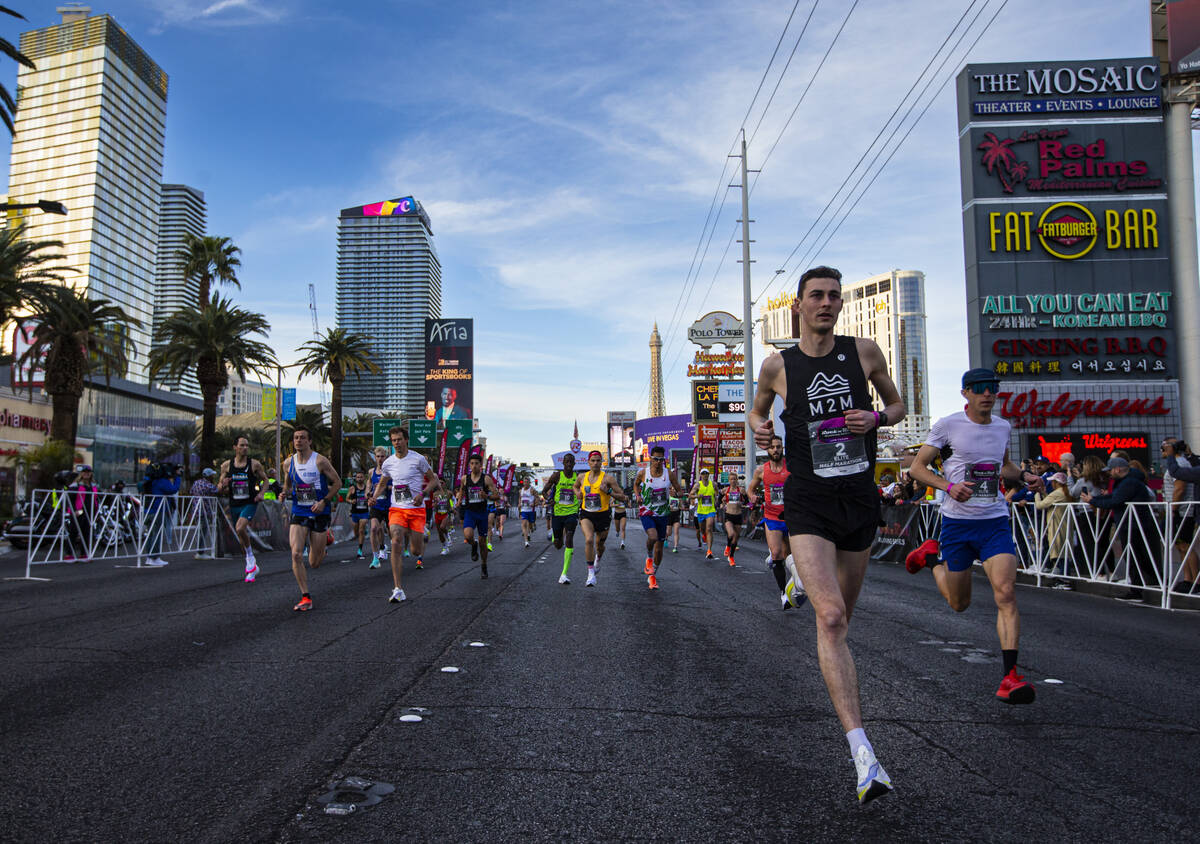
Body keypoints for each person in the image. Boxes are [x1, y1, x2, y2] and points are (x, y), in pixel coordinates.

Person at [747, 265, 905, 805]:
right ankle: (863, 754)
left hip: (858, 498)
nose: (827, 303)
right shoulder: (777, 364)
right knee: (831, 617)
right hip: (808, 500)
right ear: (798, 304)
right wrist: (760, 428)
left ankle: (794, 574)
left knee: (844, 617)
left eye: (835, 296)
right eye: (817, 295)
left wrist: (877, 419)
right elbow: (756, 414)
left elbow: (899, 404)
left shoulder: (864, 354)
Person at [907, 368, 1041, 705]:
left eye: (992, 389)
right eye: (980, 389)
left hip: (994, 520)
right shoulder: (948, 425)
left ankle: (1010, 676)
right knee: (959, 604)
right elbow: (917, 469)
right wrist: (949, 486)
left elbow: (1003, 466)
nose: (987, 394)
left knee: (1006, 594)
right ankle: (933, 558)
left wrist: (1025, 476)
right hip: (957, 524)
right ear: (966, 392)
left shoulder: (1002, 427)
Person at [371, 426, 441, 602]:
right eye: (394, 440)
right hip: (397, 508)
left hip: (416, 509)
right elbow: (382, 482)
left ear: (406, 440)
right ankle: (397, 589)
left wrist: (423, 495)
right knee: (395, 540)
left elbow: (434, 480)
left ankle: (421, 535)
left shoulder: (418, 459)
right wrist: (374, 497)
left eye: (399, 439)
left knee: (416, 550)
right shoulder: (388, 463)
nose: (397, 443)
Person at [280, 426, 342, 612]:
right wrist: (284, 493)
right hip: (299, 510)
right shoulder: (288, 463)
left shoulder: (320, 461)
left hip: (319, 512)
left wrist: (324, 501)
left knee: (314, 562)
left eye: (302, 438)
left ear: (309, 441)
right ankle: (305, 596)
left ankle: (325, 537)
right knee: (296, 554)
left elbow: (337, 483)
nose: (298, 441)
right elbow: (288, 485)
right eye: (296, 438)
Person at [1082, 456, 1157, 601]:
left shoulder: (1129, 483)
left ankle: (1138, 590)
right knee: (1138, 556)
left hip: (1133, 524)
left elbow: (1115, 500)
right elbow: (1113, 497)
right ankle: (1145, 585)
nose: (1108, 473)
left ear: (1117, 469)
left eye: (1110, 470)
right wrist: (1095, 500)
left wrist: (1093, 500)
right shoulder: (1126, 482)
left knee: (1136, 556)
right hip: (1130, 523)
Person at [748, 434, 804, 611]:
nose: (776, 450)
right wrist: (753, 497)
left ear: (782, 448)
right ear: (768, 449)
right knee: (778, 552)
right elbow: (750, 489)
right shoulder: (761, 470)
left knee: (794, 554)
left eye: (779, 447)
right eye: (773, 447)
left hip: (792, 516)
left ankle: (796, 584)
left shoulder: (791, 467)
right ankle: (783, 593)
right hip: (771, 516)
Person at [218, 436, 269, 582]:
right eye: (242, 445)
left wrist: (261, 493)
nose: (245, 448)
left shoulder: (254, 464)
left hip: (250, 502)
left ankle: (251, 558)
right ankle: (251, 565)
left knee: (240, 528)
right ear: (235, 447)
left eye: (247, 445)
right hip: (234, 503)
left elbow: (265, 480)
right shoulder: (226, 466)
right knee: (240, 535)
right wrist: (224, 483)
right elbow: (219, 488)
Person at [634, 445, 684, 590]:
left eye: (661, 459)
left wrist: (678, 493)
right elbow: (636, 485)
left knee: (660, 548)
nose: (658, 462)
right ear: (650, 458)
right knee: (653, 536)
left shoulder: (669, 474)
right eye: (655, 459)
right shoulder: (643, 473)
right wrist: (637, 495)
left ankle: (653, 576)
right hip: (647, 511)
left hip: (663, 513)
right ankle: (648, 558)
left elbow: (680, 490)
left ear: (664, 460)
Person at [575, 450, 627, 587]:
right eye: (593, 460)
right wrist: (578, 493)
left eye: (598, 460)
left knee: (599, 545)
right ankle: (590, 574)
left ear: (601, 462)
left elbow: (623, 496)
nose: (595, 463)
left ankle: (598, 558)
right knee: (589, 540)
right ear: (588, 462)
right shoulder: (581, 477)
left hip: (603, 515)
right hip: (586, 513)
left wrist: (609, 491)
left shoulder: (608, 479)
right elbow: (575, 487)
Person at [1161, 438, 1200, 592]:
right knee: (1180, 546)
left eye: (1165, 447)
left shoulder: (1180, 463)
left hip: (1183, 511)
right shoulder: (1178, 463)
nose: (1163, 450)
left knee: (1185, 545)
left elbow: (1180, 488)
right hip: (1180, 510)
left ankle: (1195, 581)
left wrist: (1174, 509)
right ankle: (1188, 579)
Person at [458, 450, 500, 578]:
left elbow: (496, 495)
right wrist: (459, 500)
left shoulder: (486, 479)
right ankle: (473, 544)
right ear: (469, 465)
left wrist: (486, 496)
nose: (474, 466)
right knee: (468, 535)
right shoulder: (465, 478)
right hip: (470, 512)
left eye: (476, 463)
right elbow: (462, 490)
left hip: (482, 513)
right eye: (471, 463)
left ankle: (484, 565)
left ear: (480, 465)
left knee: (483, 542)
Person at [542, 453, 581, 584]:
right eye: (567, 462)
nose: (569, 464)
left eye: (571, 462)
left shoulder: (578, 478)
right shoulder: (557, 476)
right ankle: (555, 536)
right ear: (563, 463)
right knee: (558, 545)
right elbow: (544, 492)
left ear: (574, 463)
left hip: (572, 513)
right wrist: (549, 499)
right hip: (558, 513)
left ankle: (564, 574)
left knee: (569, 538)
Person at [1034, 472, 1073, 588]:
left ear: (1056, 483)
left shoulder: (1057, 493)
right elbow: (1050, 500)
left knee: (1058, 551)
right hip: (1065, 523)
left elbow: (1040, 505)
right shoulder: (1065, 492)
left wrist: (1037, 495)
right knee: (1063, 550)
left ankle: (1065, 579)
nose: (1051, 483)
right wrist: (1044, 493)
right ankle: (1064, 577)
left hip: (1057, 524)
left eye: (1053, 481)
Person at [143, 462, 182, 567]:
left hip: (148, 510)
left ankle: (149, 557)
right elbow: (173, 489)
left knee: (150, 534)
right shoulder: (162, 481)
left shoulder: (151, 481)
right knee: (157, 534)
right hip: (158, 510)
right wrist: (178, 477)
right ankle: (154, 557)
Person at [367, 446, 391, 570]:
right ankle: (375, 558)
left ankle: (395, 551)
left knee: (392, 532)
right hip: (376, 504)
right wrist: (368, 494)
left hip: (390, 505)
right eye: (378, 456)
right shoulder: (372, 472)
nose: (380, 459)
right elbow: (369, 484)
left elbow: (398, 485)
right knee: (374, 529)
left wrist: (386, 487)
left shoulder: (390, 471)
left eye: (382, 456)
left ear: (386, 457)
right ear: (375, 457)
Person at [190, 467, 220, 560]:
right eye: (212, 475)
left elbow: (191, 492)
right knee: (202, 532)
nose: (213, 477)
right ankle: (200, 552)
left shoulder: (196, 482)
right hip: (204, 511)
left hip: (195, 510)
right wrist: (222, 483)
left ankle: (200, 551)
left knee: (199, 531)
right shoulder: (207, 485)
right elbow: (217, 490)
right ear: (208, 476)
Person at [690, 468, 718, 559]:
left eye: (706, 473)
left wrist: (716, 498)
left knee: (709, 528)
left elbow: (717, 492)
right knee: (702, 530)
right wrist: (697, 496)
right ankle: (704, 535)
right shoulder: (698, 485)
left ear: (708, 475)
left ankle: (709, 551)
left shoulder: (713, 484)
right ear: (700, 475)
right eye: (703, 473)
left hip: (710, 510)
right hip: (701, 511)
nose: (705, 475)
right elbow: (690, 495)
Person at [721, 471, 745, 567]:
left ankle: (731, 556)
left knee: (735, 539)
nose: (733, 481)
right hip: (729, 515)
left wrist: (742, 504)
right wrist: (722, 504)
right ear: (729, 480)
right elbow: (720, 500)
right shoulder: (725, 490)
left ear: (737, 480)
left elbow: (748, 501)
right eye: (731, 479)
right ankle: (727, 546)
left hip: (738, 515)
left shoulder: (741, 490)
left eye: (734, 479)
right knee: (731, 534)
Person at [347, 470, 372, 559]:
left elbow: (370, 497)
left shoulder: (367, 488)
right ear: (355, 479)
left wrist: (369, 499)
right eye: (358, 477)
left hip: (364, 512)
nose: (359, 479)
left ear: (364, 478)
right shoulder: (352, 488)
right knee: (356, 532)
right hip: (355, 512)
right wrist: (351, 501)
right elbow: (347, 498)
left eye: (361, 477)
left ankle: (360, 550)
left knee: (361, 530)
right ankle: (361, 533)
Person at [517, 478, 539, 548]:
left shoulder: (532, 490)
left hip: (531, 510)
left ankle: (532, 527)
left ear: (529, 482)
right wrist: (519, 504)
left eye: (527, 482)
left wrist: (535, 504)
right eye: (524, 482)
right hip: (524, 510)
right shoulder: (521, 490)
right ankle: (526, 542)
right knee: (524, 524)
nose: (525, 483)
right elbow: (520, 498)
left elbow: (537, 498)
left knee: (530, 525)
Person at [432, 489, 453, 555]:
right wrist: (436, 502)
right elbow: (433, 505)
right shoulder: (434, 494)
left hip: (445, 513)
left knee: (442, 527)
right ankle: (445, 547)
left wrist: (452, 509)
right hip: (438, 514)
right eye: (439, 483)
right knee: (440, 533)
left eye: (442, 483)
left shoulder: (449, 492)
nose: (440, 484)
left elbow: (452, 501)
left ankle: (448, 535)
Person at [665, 486, 682, 553]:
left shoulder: (678, 498)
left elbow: (681, 506)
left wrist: (680, 507)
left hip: (676, 516)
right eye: (671, 489)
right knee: (669, 533)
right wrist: (669, 507)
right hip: (669, 516)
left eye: (674, 489)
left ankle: (675, 547)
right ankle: (666, 538)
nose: (672, 490)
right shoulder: (667, 497)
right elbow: (663, 506)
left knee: (676, 531)